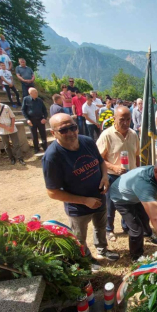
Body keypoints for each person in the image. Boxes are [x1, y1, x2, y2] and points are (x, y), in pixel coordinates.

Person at [42, 113, 120, 268]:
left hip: (99, 197)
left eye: (73, 127)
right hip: (78, 208)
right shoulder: (52, 157)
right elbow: (52, 192)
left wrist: (105, 177)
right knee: (80, 237)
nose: (71, 133)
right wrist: (84, 201)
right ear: (53, 133)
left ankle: (102, 249)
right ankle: (86, 260)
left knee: (100, 227)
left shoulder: (87, 141)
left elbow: (100, 162)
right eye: (64, 130)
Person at [97, 106, 140, 243]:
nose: (126, 123)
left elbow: (137, 155)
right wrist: (114, 167)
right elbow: (98, 158)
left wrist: (137, 172)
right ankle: (109, 229)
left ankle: (126, 226)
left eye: (128, 119)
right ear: (114, 118)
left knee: (128, 203)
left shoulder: (133, 134)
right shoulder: (107, 135)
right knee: (110, 205)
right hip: (112, 177)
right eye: (122, 119)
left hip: (130, 177)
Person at [0, 96, 25, 166]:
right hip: (1, 129)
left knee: (16, 144)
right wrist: (5, 127)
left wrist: (12, 126)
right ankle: (11, 158)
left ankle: (20, 158)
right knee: (6, 145)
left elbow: (12, 116)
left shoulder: (6, 106)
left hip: (12, 127)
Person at [22, 87, 48, 154]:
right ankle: (36, 148)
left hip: (40, 119)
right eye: (35, 92)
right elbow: (23, 110)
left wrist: (44, 118)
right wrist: (27, 119)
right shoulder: (26, 99)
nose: (37, 93)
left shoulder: (39, 100)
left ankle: (45, 147)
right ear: (30, 93)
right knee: (34, 135)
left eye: (36, 92)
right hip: (32, 120)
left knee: (43, 134)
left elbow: (45, 110)